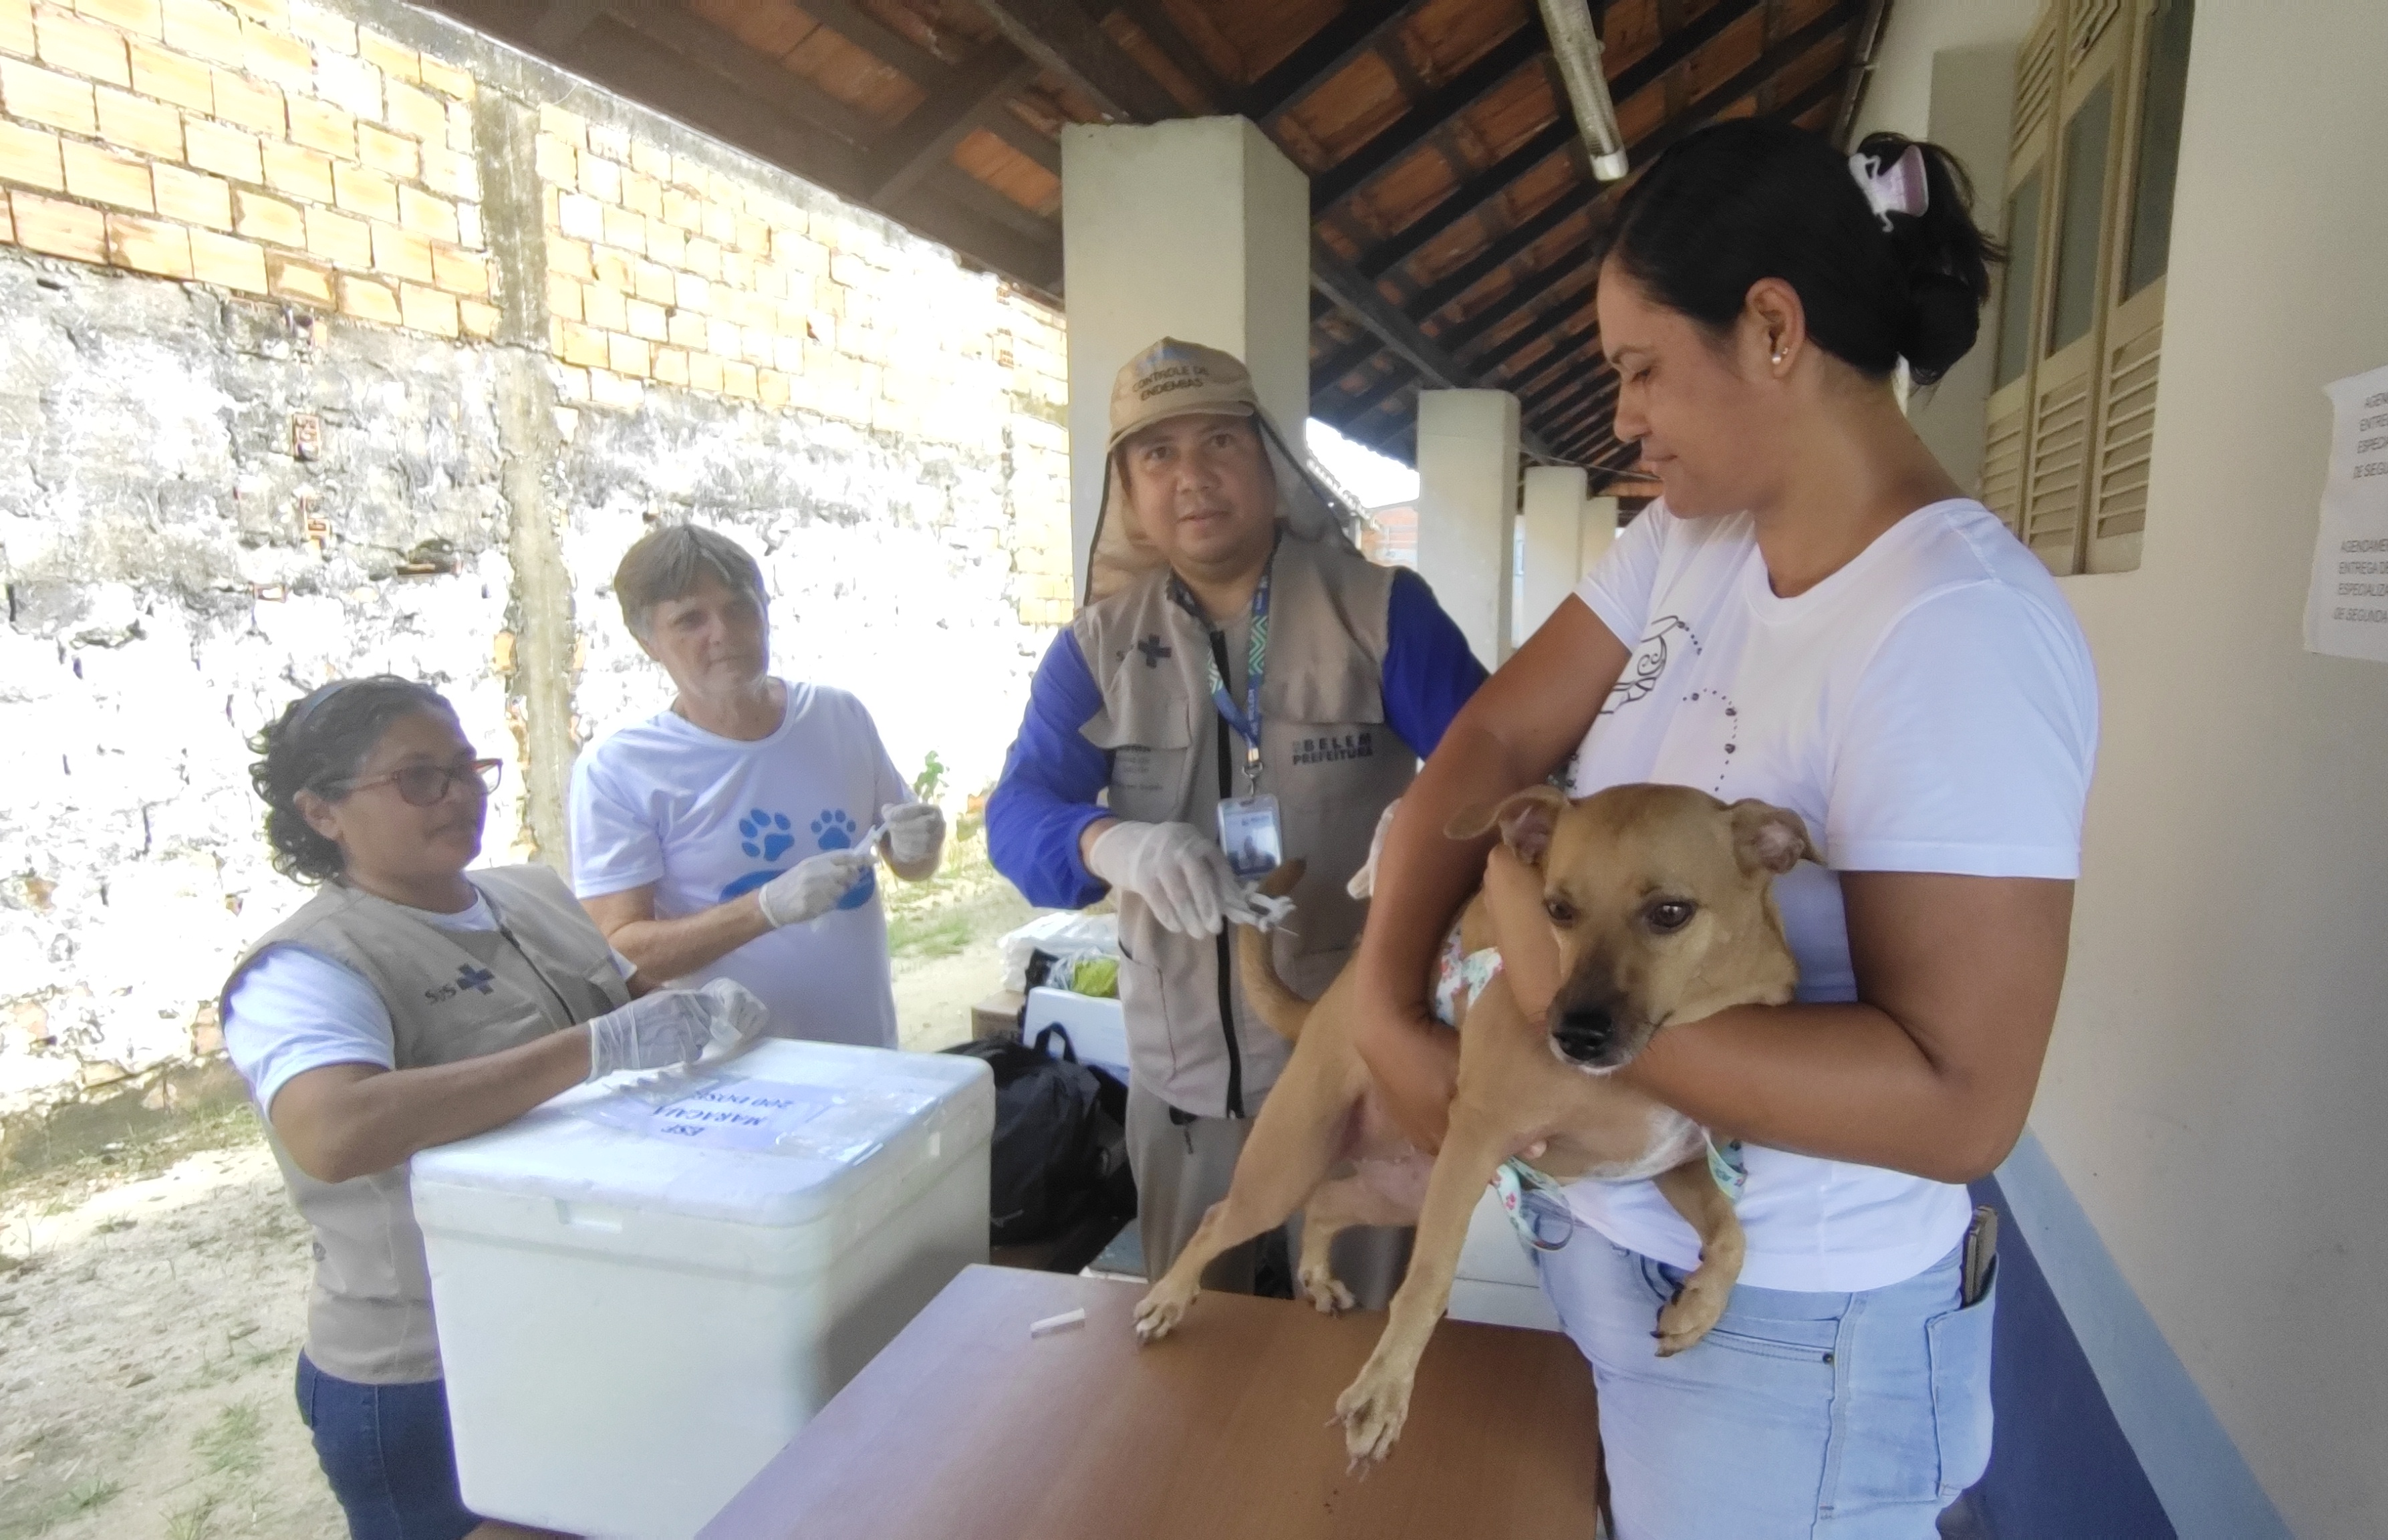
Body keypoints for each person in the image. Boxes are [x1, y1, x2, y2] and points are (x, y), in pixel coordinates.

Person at [1349, 123, 2100, 1539]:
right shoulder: (1692, 542)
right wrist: (1387, 1002)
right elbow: (1497, 743)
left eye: (1638, 370)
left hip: (1787, 1333)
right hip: (1624, 1238)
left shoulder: (1948, 632)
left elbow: (1957, 1098)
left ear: (1770, 327)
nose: (1620, 417)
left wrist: (1544, 985)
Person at [986, 338, 1488, 1293]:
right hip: (1181, 1088)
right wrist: (1108, 841)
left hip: (1358, 1074)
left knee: (1355, 1336)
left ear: (1268, 461)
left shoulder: (1381, 612)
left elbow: (1496, 773)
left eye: (1220, 441)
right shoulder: (1094, 648)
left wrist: (1429, 826)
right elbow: (1017, 815)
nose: (1193, 478)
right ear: (1128, 491)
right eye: (1156, 455)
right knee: (1192, 1339)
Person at [222, 676, 767, 1540]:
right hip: (427, 1368)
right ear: (322, 812)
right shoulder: (308, 969)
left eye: (468, 768)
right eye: (417, 779)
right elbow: (333, 1131)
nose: (459, 795)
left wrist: (704, 1020)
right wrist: (602, 1046)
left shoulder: (532, 895)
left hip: (588, 1320)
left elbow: (639, 1013)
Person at [568, 526, 946, 1048]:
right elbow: (619, 950)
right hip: (732, 1072)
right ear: (647, 642)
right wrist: (764, 908)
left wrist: (922, 844)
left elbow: (910, 865)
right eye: (690, 619)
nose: (724, 632)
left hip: (867, 1053)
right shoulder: (622, 769)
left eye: (741, 607)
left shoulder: (838, 716)